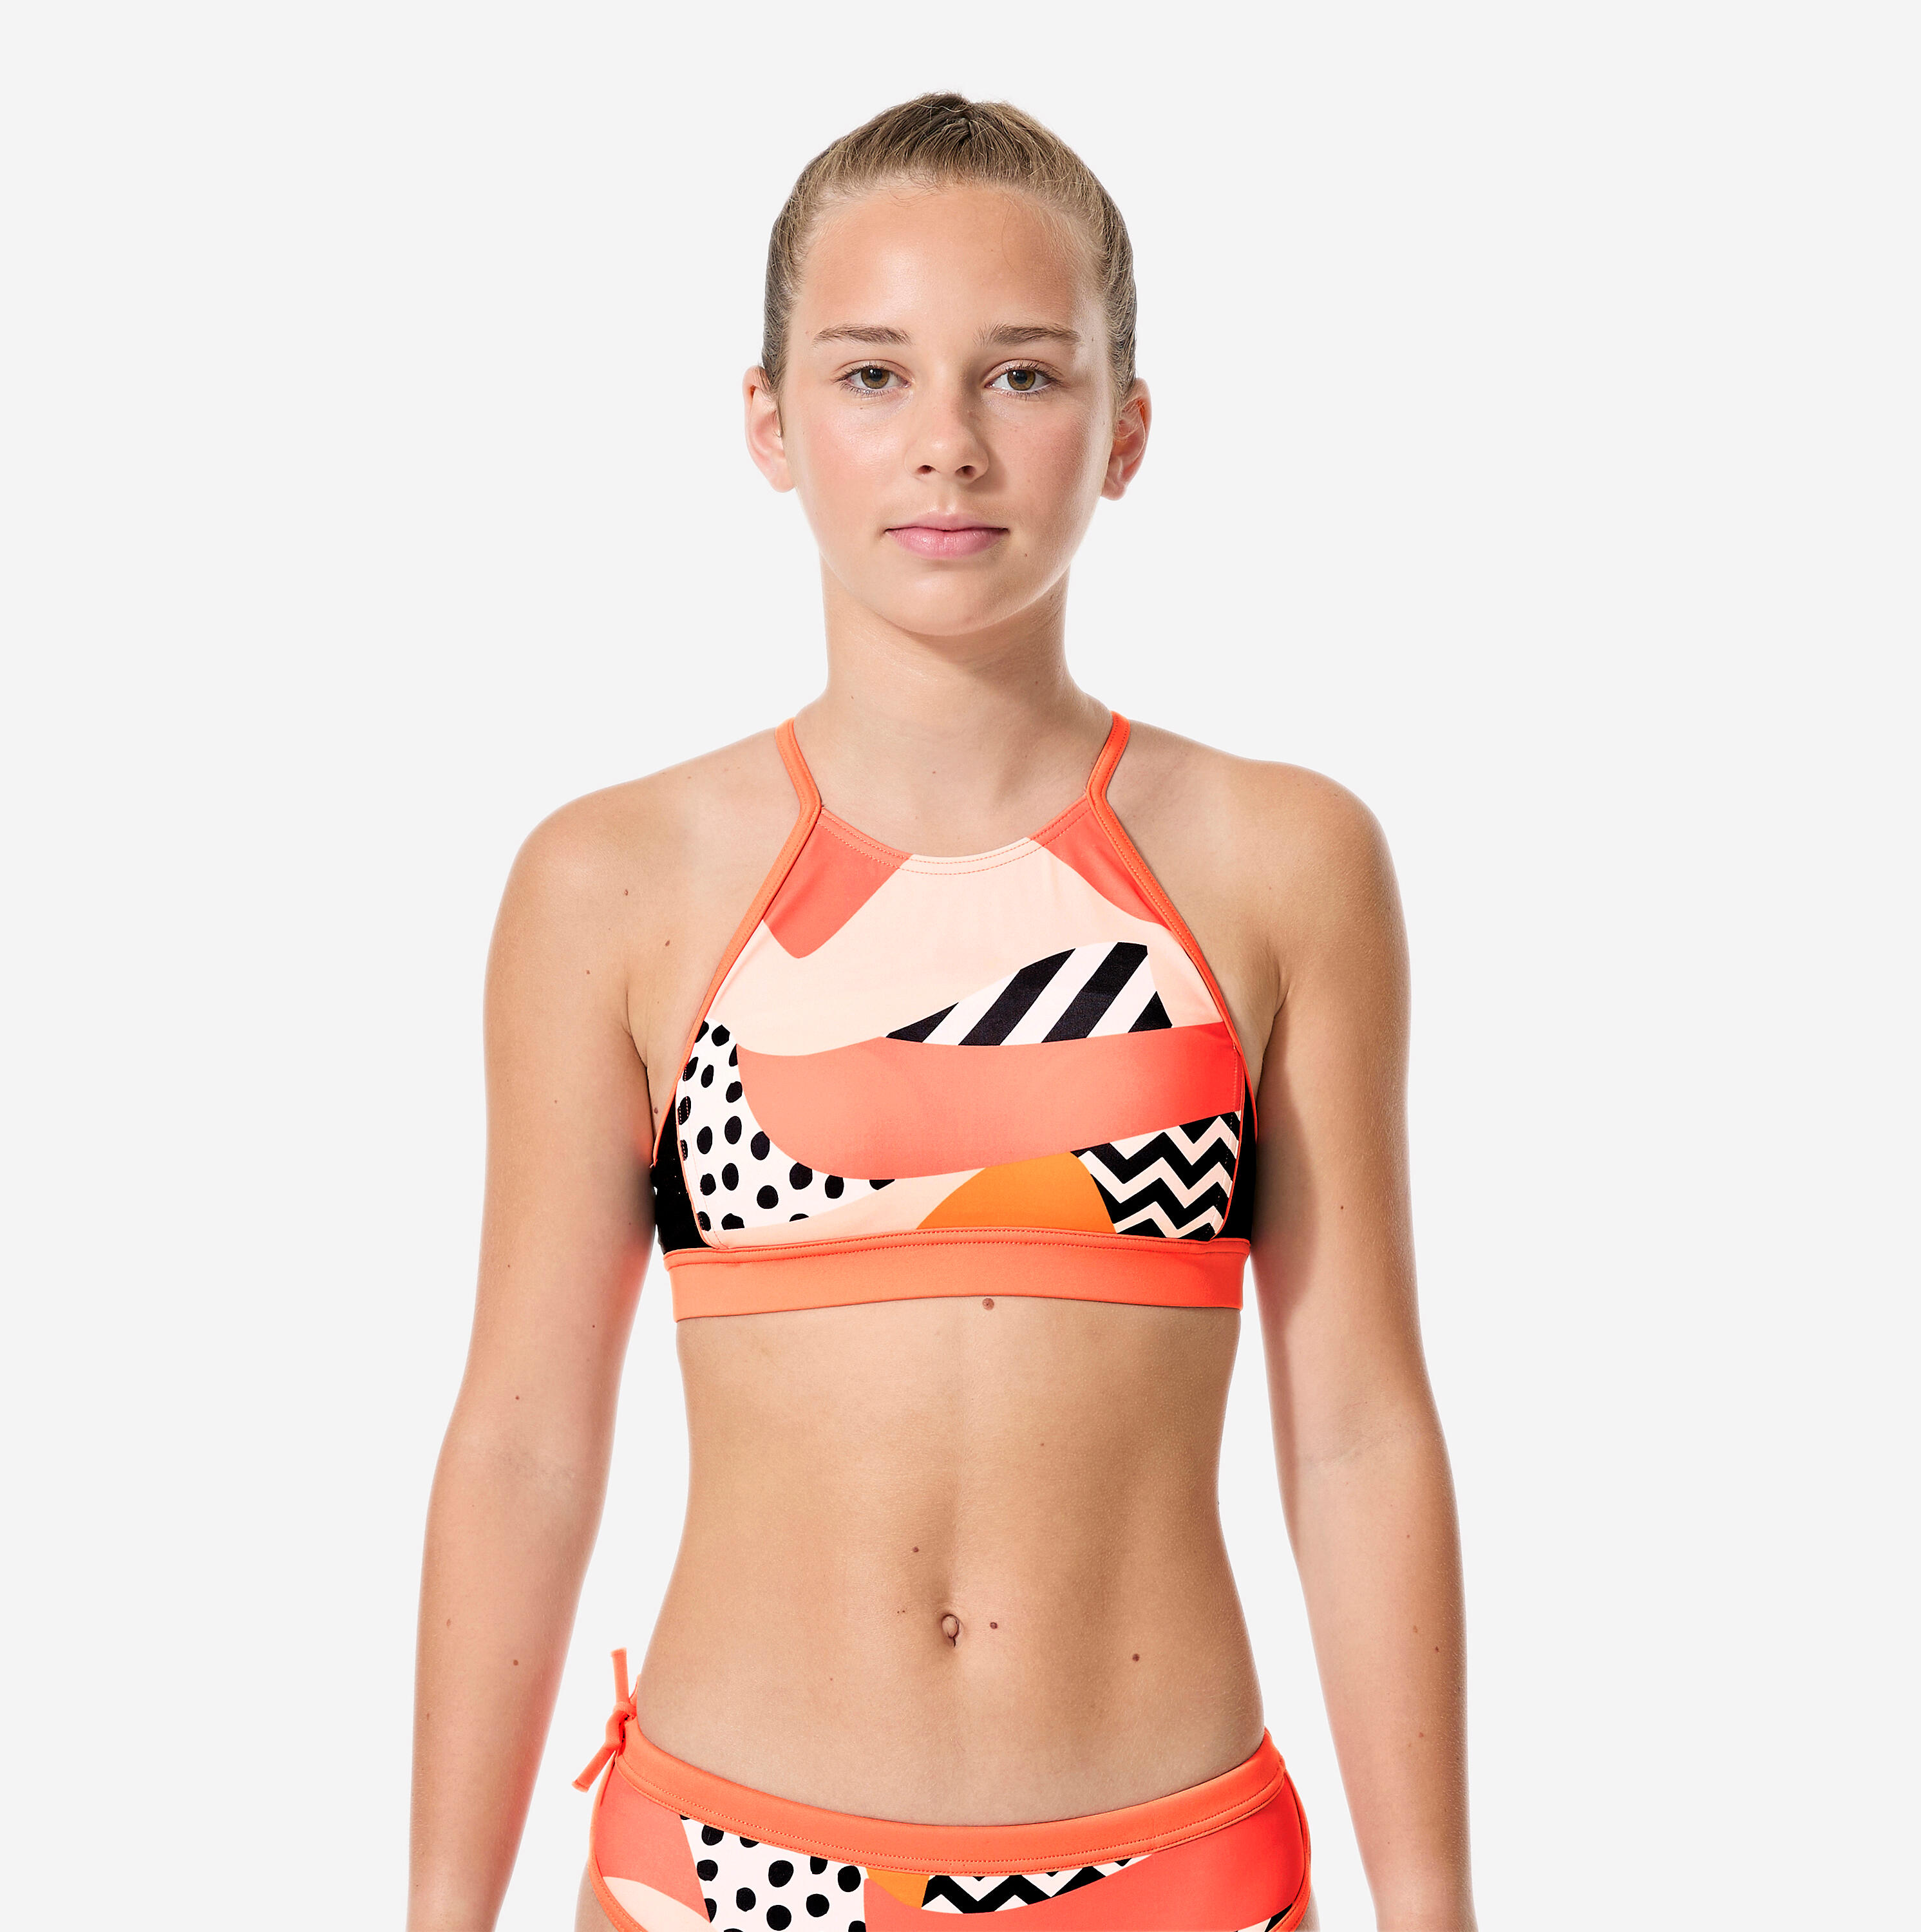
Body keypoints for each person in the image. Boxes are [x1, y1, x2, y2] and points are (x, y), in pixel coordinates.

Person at [409, 93, 1474, 1932]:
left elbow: (1361, 1426)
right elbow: (524, 1438)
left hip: (1175, 1873)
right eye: (873, 374)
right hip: (723, 1874)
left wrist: (1437, 1906)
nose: (949, 446)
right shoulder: (612, 883)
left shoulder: (1283, 860)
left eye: (1025, 376)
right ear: (770, 422)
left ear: (1126, 429)